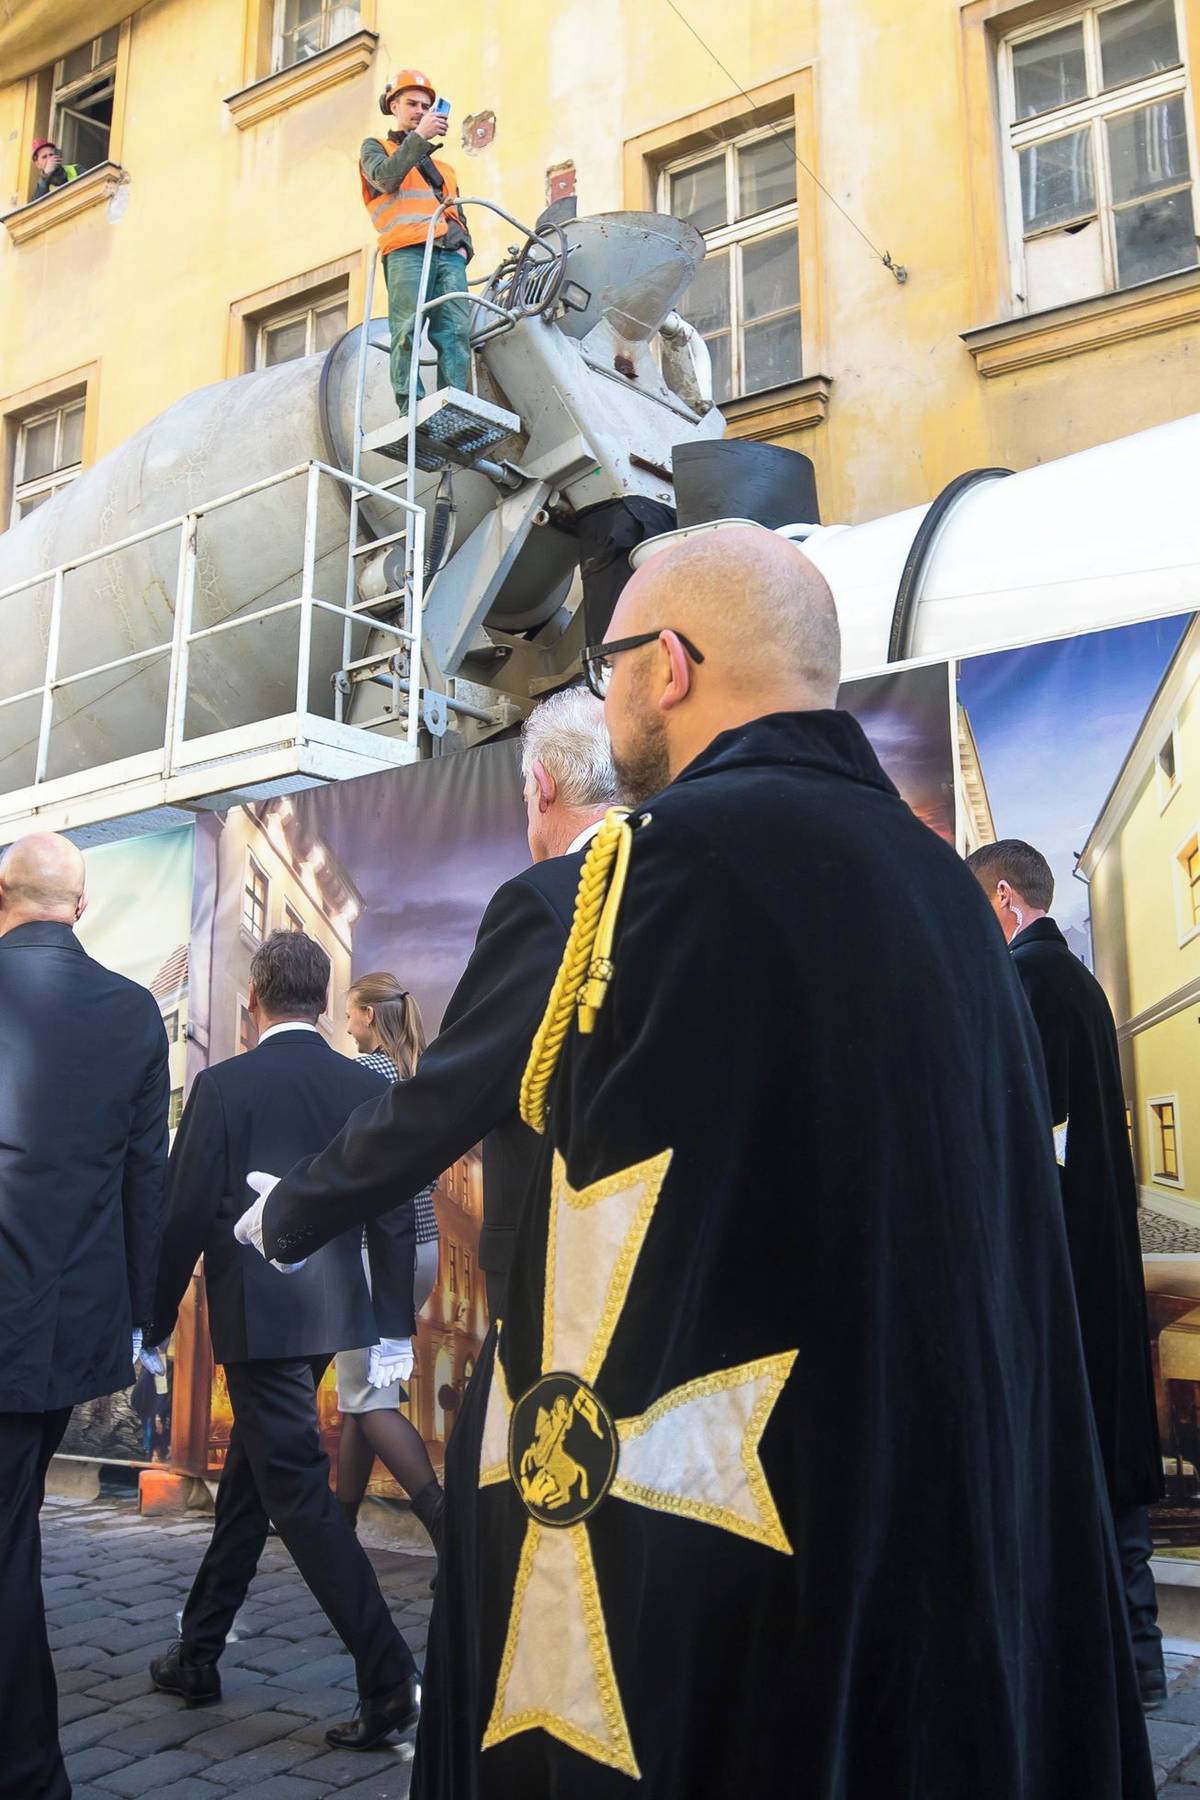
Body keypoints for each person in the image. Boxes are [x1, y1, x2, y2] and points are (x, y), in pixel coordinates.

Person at [405, 523, 1149, 1798]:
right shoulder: (945, 893)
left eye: (611, 665)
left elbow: (601, 1262)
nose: (611, 698)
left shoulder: (645, 879)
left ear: (672, 666)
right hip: (931, 1526)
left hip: (741, 1567)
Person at [242, 686, 619, 1319]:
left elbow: (447, 1101)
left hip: (569, 1280)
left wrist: (292, 1210)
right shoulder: (687, 878)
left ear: (543, 787)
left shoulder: (548, 902)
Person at [146, 929, 421, 1753]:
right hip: (329, 1317)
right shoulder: (360, 1083)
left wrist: (151, 1323)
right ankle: (198, 1653)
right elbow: (393, 1211)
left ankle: (388, 1677)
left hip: (258, 1320)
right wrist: (393, 1326)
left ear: (256, 999)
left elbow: (182, 1216)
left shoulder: (223, 1086)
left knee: (294, 1489)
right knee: (255, 1477)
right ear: (323, 998)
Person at [967, 836, 1166, 1710]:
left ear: (1004, 899)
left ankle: (1115, 1676)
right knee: (1108, 1470)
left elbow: (1028, 1143)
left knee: (1070, 1467)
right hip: (1098, 1268)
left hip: (1061, 1279)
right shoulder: (1078, 984)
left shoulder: (1027, 982)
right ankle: (1142, 1664)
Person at [0, 831, 169, 1800]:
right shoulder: (132, 1011)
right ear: (82, 905)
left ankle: (31, 1770)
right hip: (66, 1327)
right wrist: (142, 1320)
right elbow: (147, 1178)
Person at [336, 972, 443, 1550]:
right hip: (422, 1248)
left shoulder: (362, 1075)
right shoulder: (419, 1073)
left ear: (371, 1015)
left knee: (368, 1399)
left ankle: (447, 1527)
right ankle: (341, 1527)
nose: (347, 1023)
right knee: (363, 1396)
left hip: (375, 1254)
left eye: (351, 1013)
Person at [361, 69, 473, 417]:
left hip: (447, 254)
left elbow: (457, 214)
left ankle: (456, 406)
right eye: (412, 104)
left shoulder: (444, 169)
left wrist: (463, 248)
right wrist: (420, 138)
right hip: (406, 250)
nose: (420, 111)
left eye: (426, 107)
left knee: (455, 331)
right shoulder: (375, 148)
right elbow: (385, 178)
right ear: (394, 106)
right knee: (407, 330)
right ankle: (410, 407)